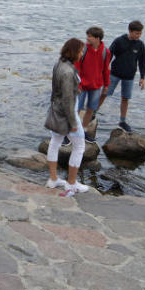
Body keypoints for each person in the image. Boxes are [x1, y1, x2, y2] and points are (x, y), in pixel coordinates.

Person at [44, 38, 90, 197]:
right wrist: (73, 122)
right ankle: (72, 183)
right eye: (81, 51)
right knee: (79, 146)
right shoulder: (69, 71)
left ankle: (53, 179)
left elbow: (59, 89)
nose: (82, 53)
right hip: (67, 114)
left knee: (55, 142)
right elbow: (68, 100)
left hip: (55, 111)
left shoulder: (59, 64)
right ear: (74, 52)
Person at [105, 20, 145, 132]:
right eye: (137, 33)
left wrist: (142, 77)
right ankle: (93, 113)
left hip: (129, 76)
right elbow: (109, 55)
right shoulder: (119, 41)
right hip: (114, 73)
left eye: (140, 33)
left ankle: (122, 121)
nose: (139, 35)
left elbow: (142, 62)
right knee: (105, 93)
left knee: (125, 98)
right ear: (130, 31)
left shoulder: (140, 45)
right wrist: (104, 70)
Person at [74, 26, 112, 143]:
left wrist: (106, 86)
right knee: (76, 109)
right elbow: (77, 67)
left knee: (90, 109)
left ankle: (83, 131)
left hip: (96, 86)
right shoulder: (83, 49)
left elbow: (106, 70)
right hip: (82, 86)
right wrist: (78, 84)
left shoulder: (106, 52)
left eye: (89, 36)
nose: (87, 38)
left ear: (97, 38)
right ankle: (72, 132)